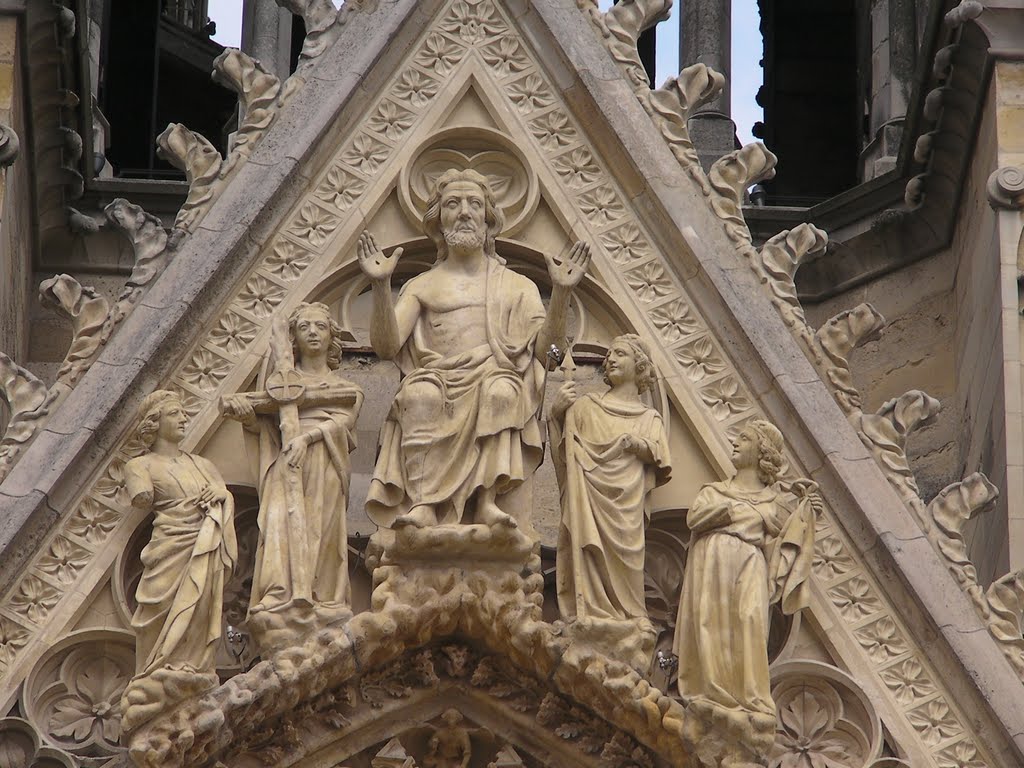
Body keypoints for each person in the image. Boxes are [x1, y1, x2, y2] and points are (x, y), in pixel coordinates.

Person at [358, 168, 590, 529]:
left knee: (501, 392)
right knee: (418, 396)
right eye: (453, 204)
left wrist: (561, 293)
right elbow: (387, 347)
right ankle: (424, 503)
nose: (464, 212)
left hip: (495, 379)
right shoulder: (422, 285)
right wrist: (379, 285)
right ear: (439, 220)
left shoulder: (517, 286)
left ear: (488, 219)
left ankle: (486, 500)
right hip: (436, 379)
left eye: (474, 204)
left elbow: (551, 354)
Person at [220, 302, 363, 644]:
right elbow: (264, 429)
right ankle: (279, 592)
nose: (313, 332)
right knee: (279, 523)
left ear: (332, 337)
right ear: (293, 339)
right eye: (304, 327)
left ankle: (323, 596)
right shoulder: (278, 386)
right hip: (285, 462)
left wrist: (307, 439)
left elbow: (344, 422)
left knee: (323, 528)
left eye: (320, 326)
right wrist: (248, 415)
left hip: (324, 461)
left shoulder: (345, 389)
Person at [674, 420, 819, 727]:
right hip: (711, 563)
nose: (735, 443)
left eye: (744, 438)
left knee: (749, 619)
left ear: (762, 451)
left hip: (751, 565)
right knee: (709, 621)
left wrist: (807, 512)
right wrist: (736, 512)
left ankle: (749, 697)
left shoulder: (775, 502)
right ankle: (712, 692)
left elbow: (787, 542)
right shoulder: (714, 491)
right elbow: (695, 518)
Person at [121, 390, 236, 727]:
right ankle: (155, 668)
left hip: (204, 543)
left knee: (200, 604)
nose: (184, 418)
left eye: (184, 412)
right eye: (175, 413)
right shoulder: (139, 466)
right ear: (154, 423)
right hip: (169, 548)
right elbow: (141, 496)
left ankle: (192, 665)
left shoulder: (203, 464)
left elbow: (223, 494)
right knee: (158, 606)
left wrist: (222, 495)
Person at [549, 335, 671, 635]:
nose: (611, 359)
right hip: (589, 496)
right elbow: (565, 457)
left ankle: (630, 612)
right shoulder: (586, 407)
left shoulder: (649, 418)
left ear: (639, 365)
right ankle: (588, 609)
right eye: (609, 355)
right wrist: (556, 415)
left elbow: (661, 455)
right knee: (586, 546)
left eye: (620, 354)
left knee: (629, 555)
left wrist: (637, 444)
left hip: (626, 506)